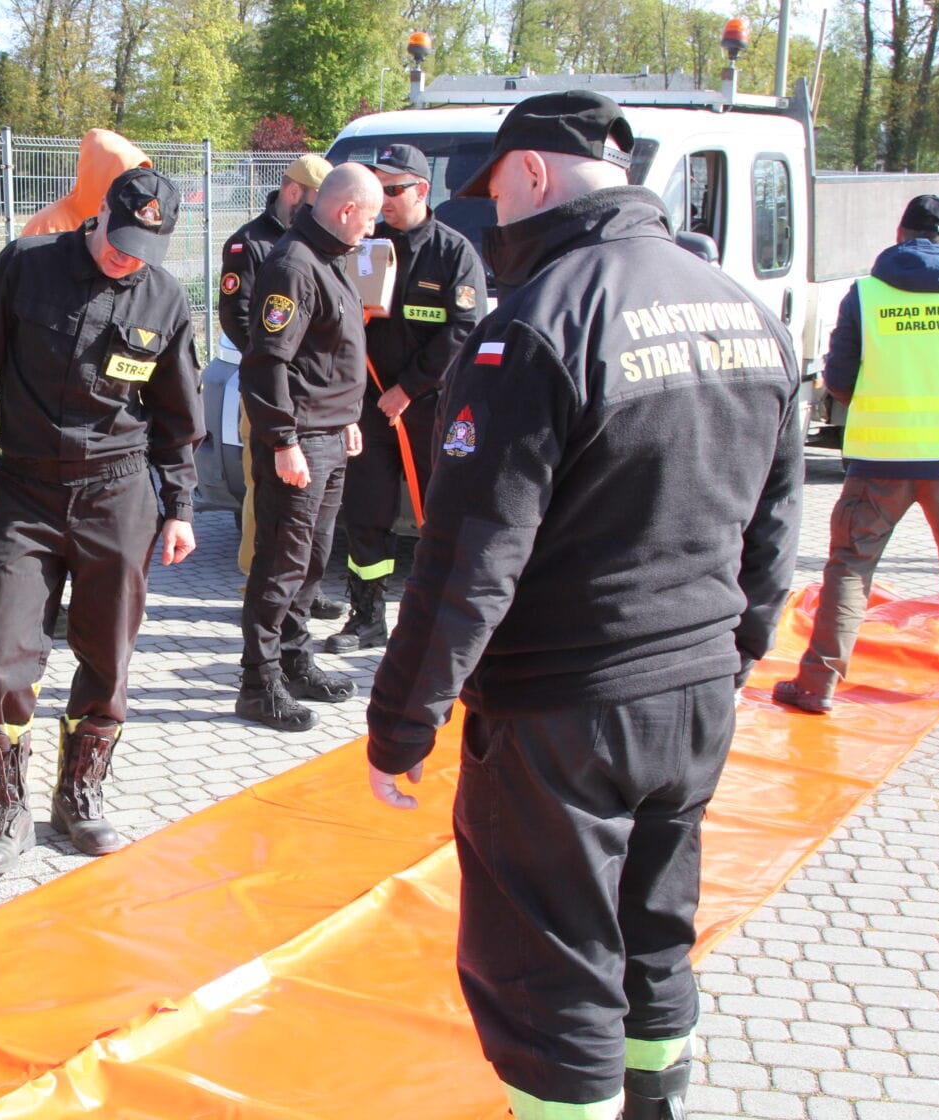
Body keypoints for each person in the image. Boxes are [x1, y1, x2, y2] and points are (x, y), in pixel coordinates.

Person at [366, 92, 802, 1120]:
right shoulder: (741, 308)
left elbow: (471, 555)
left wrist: (403, 721)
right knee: (654, 934)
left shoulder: (536, 325)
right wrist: (735, 652)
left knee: (549, 968)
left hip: (565, 711)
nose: (494, 222)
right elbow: (775, 534)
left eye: (497, 194)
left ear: (528, 175)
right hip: (694, 694)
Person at [0, 167, 203, 877]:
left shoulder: (164, 298)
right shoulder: (28, 266)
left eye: (144, 246)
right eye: (119, 240)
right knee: (3, 648)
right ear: (98, 217)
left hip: (118, 495)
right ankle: (4, 810)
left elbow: (179, 419)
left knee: (108, 654)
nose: (126, 256)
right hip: (25, 493)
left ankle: (78, 796)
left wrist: (179, 507)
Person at [773, 195, 939, 715]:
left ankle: (816, 686)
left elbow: (839, 381)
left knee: (850, 568)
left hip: (879, 462)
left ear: (900, 233)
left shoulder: (866, 295)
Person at [234, 162, 384, 732]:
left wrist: (346, 416)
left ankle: (296, 660)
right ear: (346, 210)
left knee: (314, 558)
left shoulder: (330, 257)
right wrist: (282, 440)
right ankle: (259, 681)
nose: (371, 231)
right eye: (368, 218)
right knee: (281, 562)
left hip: (329, 433)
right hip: (299, 441)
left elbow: (328, 354)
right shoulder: (295, 264)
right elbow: (268, 361)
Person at [327, 144, 486, 653]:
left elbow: (464, 329)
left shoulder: (452, 252)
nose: (385, 200)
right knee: (365, 512)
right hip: (369, 406)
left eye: (393, 190)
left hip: (429, 408)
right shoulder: (363, 245)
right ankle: (366, 617)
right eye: (378, 190)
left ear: (420, 190)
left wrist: (408, 388)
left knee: (437, 514)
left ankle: (439, 620)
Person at [217, 153, 343, 620]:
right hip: (270, 391)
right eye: (317, 201)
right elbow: (238, 319)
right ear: (295, 192)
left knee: (309, 501)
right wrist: (279, 365)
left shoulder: (316, 243)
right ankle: (259, 584)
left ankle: (301, 588)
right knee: (264, 487)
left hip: (312, 397)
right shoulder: (249, 244)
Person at [20, 127, 151, 238]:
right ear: (100, 174)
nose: (133, 187)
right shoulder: (48, 224)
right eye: (126, 178)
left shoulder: (130, 223)